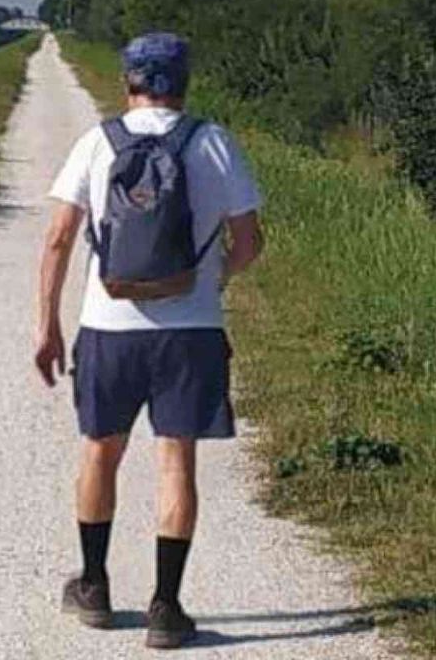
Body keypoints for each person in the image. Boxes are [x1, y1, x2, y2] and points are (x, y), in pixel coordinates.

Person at [34, 32, 264, 650]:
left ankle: (94, 586)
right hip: (191, 330)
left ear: (127, 82)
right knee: (175, 462)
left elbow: (58, 238)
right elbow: (249, 243)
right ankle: (166, 606)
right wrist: (213, 278)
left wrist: (48, 324)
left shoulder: (97, 142)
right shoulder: (214, 143)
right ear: (185, 83)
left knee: (99, 453)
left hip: (109, 329)